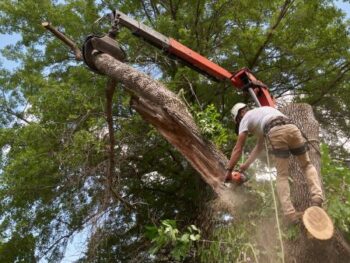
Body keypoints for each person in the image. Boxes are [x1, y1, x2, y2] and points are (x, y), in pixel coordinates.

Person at [225, 103, 324, 224]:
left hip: (275, 131)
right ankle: (317, 197)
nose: (240, 123)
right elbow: (259, 147)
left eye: (238, 120)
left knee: (282, 174)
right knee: (307, 165)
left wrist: (229, 171)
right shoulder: (263, 112)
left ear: (240, 113)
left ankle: (290, 213)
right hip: (293, 129)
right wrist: (245, 166)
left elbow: (238, 148)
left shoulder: (246, 117)